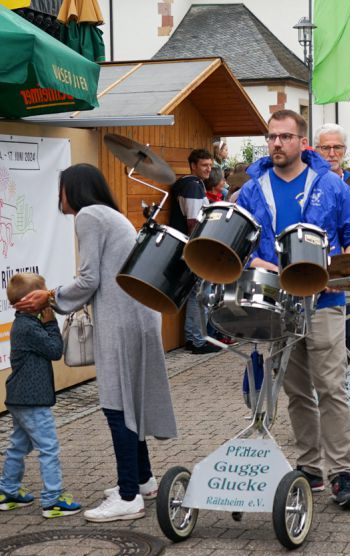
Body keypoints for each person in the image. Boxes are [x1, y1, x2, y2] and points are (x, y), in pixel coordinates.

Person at [15, 164, 177, 522]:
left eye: (61, 189)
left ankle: (129, 495)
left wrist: (50, 297)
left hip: (123, 318)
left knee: (116, 405)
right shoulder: (108, 214)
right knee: (128, 401)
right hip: (137, 314)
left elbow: (88, 279)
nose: (59, 197)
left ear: (74, 189)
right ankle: (143, 480)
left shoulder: (88, 216)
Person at [236, 110, 350, 506]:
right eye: (271, 137)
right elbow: (238, 241)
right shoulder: (252, 188)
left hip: (325, 300)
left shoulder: (329, 184)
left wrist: (342, 269)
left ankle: (341, 472)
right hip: (278, 302)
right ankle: (310, 467)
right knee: (296, 391)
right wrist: (251, 262)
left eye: (285, 137)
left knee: (330, 387)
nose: (276, 144)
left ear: (301, 142)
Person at [0, 274, 81, 518]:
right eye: (42, 292)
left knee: (18, 445)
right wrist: (51, 322)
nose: (46, 296)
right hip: (32, 400)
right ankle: (52, 499)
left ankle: (8, 491)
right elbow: (56, 350)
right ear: (29, 301)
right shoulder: (30, 327)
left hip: (20, 398)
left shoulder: (23, 324)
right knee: (49, 448)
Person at [313, 123, 350, 354]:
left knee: (346, 331)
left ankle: (346, 370)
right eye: (326, 148)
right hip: (315, 269)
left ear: (345, 150)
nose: (332, 153)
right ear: (316, 149)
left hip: (345, 265)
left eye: (337, 147)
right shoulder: (308, 182)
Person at [169, 148, 219, 354]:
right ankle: (199, 340)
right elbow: (194, 222)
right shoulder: (193, 186)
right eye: (204, 166)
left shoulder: (187, 183)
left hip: (184, 247)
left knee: (195, 294)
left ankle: (193, 338)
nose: (208, 169)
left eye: (210, 165)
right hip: (193, 248)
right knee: (201, 295)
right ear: (193, 166)